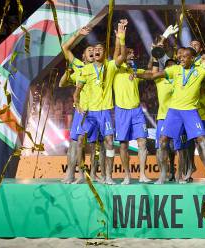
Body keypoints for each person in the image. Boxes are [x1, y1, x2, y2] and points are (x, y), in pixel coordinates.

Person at [149, 47, 205, 184]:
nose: (182, 58)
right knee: (162, 141)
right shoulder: (175, 69)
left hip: (191, 111)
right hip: (174, 111)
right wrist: (137, 75)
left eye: (185, 56)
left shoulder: (200, 70)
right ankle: (162, 175)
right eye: (181, 56)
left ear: (192, 58)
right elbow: (154, 75)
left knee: (202, 140)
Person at [73, 19, 128, 184]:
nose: (96, 51)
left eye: (99, 49)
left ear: (104, 53)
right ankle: (83, 174)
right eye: (94, 49)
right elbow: (77, 92)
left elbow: (123, 55)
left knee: (109, 143)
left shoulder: (110, 66)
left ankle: (109, 176)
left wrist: (122, 38)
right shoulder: (85, 70)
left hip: (105, 112)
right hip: (89, 113)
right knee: (84, 143)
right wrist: (77, 104)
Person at [58, 26, 101, 184]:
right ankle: (75, 174)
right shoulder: (78, 66)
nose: (91, 51)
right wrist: (78, 34)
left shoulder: (100, 67)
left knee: (95, 145)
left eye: (93, 50)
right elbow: (65, 47)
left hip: (98, 111)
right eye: (88, 50)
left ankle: (93, 174)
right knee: (76, 143)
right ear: (83, 56)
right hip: (82, 112)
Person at [113, 46, 152, 184]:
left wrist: (153, 54)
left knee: (143, 142)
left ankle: (142, 174)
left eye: (133, 53)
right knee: (123, 145)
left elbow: (149, 72)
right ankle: (127, 175)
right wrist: (121, 39)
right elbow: (118, 55)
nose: (132, 55)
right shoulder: (115, 69)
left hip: (136, 111)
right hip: (121, 111)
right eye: (129, 53)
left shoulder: (135, 70)